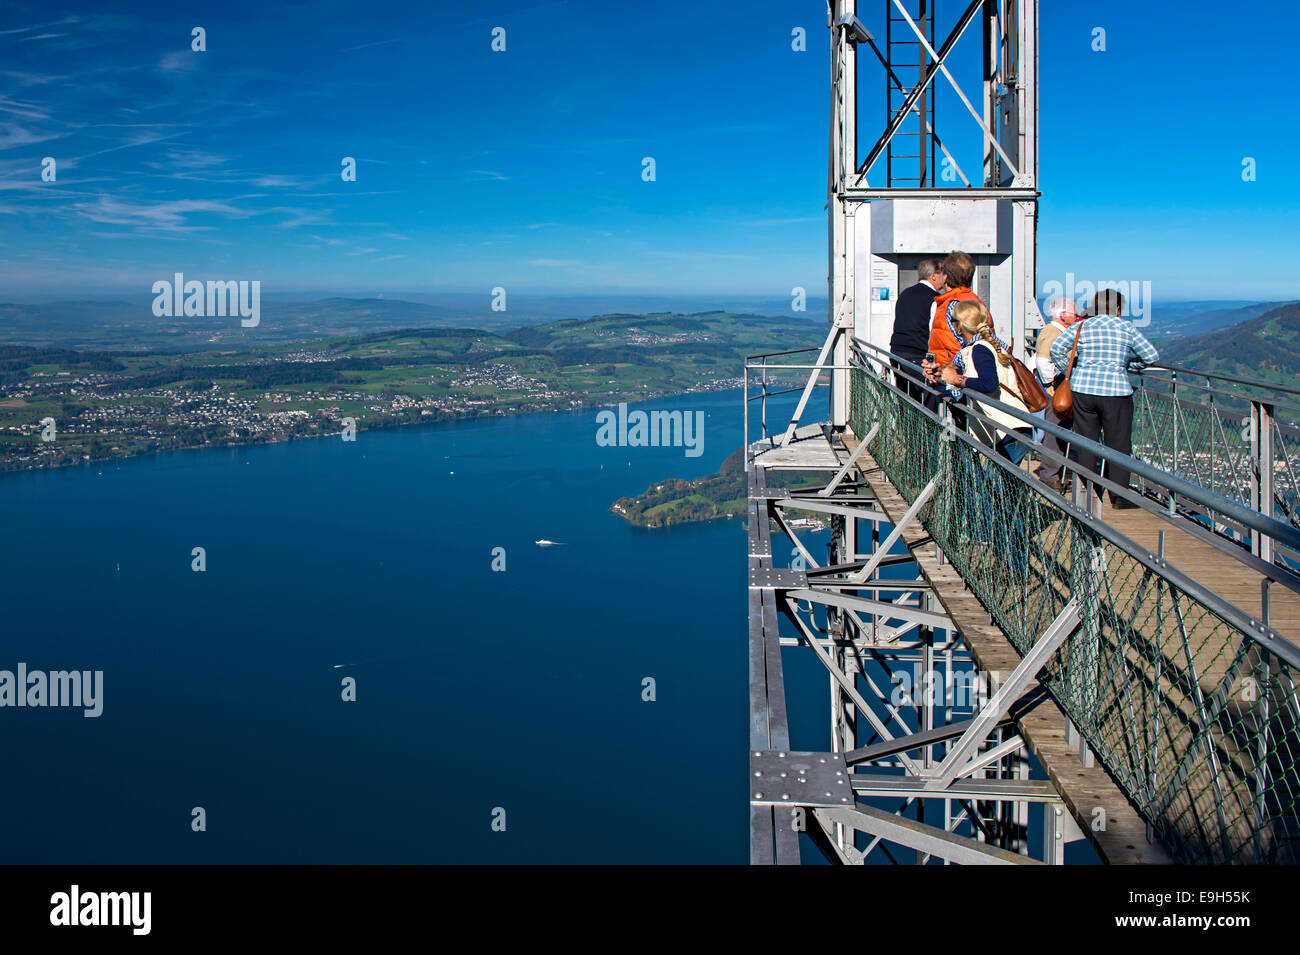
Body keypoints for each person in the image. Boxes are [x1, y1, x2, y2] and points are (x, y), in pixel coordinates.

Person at [1050, 288, 1159, 509]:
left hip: (1083, 390)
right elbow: (1151, 356)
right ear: (1118, 309)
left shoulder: (1083, 326)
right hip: (1116, 392)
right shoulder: (1126, 328)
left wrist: (1074, 371)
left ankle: (1087, 491)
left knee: (1085, 441)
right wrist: (1127, 365)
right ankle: (1119, 498)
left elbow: (1057, 349)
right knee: (1118, 444)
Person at [937, 300, 1035, 464]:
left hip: (1009, 427)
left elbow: (989, 383)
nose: (952, 326)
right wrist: (941, 373)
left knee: (994, 486)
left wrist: (957, 379)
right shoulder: (986, 344)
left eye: (953, 321)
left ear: (960, 326)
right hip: (1011, 427)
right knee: (998, 484)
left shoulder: (980, 348)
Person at [1034, 296, 1080, 491]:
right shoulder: (1053, 332)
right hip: (1057, 390)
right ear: (1063, 316)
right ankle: (1050, 475)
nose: (1076, 317)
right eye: (1074, 314)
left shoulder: (1054, 331)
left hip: (1057, 388)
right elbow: (1043, 361)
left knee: (1057, 431)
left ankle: (1053, 473)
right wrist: (1052, 386)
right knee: (1055, 431)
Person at [889, 259, 945, 401]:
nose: (945, 280)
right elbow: (933, 335)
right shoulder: (935, 299)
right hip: (917, 355)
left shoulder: (905, 293)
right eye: (943, 275)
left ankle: (904, 423)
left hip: (897, 353)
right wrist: (932, 363)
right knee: (928, 400)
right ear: (934, 276)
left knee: (906, 399)